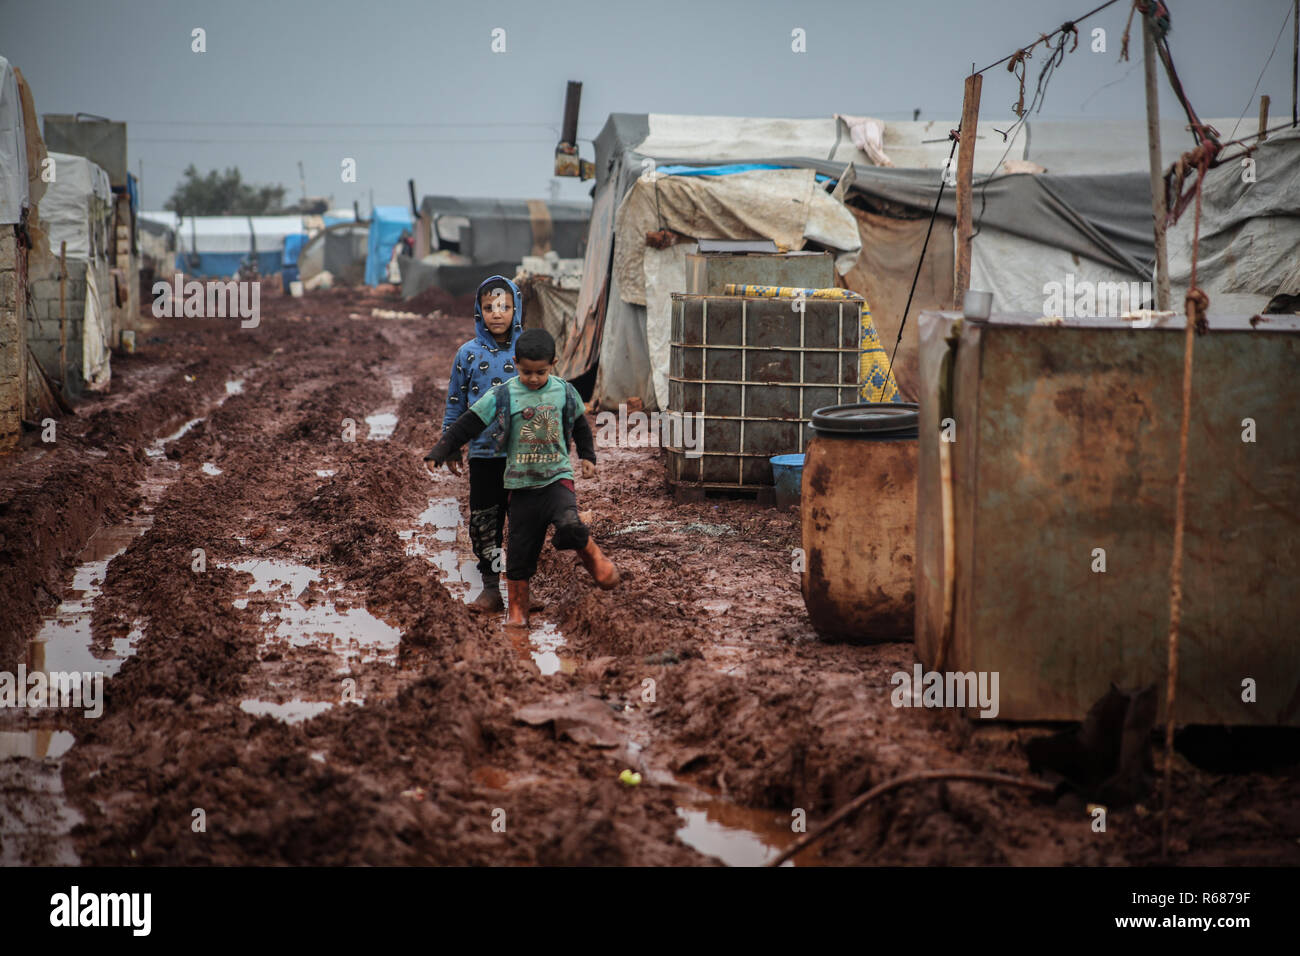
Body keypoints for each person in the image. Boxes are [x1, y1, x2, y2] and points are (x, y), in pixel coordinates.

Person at [424, 328, 619, 627]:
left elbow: (580, 425)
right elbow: (470, 422)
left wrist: (588, 458)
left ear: (553, 364)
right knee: (518, 556)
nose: (533, 379)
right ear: (515, 362)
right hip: (520, 486)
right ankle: (518, 613)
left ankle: (595, 558)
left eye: (540, 372)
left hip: (557, 478)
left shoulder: (564, 391)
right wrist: (442, 449)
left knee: (569, 523)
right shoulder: (504, 394)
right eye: (527, 372)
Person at [440, 276, 523, 612]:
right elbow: (455, 401)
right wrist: (449, 442)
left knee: (524, 524)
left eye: (504, 306)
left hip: (525, 456)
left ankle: (521, 591)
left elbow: (551, 394)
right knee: (485, 521)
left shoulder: (528, 350)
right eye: (489, 307)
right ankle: (491, 590)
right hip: (484, 454)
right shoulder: (467, 354)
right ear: (479, 311)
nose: (496, 314)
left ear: (517, 308)